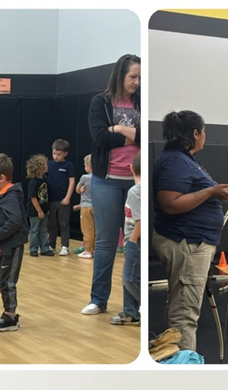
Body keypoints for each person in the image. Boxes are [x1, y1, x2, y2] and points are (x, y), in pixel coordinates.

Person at [151, 109, 228, 350]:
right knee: (184, 312)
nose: (205, 135)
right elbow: (170, 204)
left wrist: (225, 190)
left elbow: (195, 194)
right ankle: (183, 363)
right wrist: (211, 192)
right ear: (195, 133)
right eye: (204, 131)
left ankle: (177, 357)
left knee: (181, 305)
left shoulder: (184, 159)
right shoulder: (175, 160)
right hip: (187, 243)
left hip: (192, 243)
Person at [82, 54, 141, 316]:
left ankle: (132, 305)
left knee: (133, 243)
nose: (137, 82)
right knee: (106, 242)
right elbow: (99, 137)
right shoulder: (101, 102)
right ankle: (98, 299)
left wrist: (118, 128)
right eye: (132, 77)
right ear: (120, 76)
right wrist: (129, 136)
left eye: (140, 77)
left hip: (135, 184)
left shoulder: (142, 101)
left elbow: (142, 136)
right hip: (106, 181)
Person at [0, 152, 29, 332]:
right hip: (0, 246)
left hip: (10, 246)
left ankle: (10, 316)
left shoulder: (10, 196)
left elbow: (15, 221)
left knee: (8, 281)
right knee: (0, 281)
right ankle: (8, 313)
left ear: (2, 178)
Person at [110, 152, 140, 325]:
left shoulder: (135, 191)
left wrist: (133, 242)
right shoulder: (136, 191)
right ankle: (130, 312)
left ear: (130, 169)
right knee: (129, 277)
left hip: (134, 242)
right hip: (133, 241)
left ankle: (143, 307)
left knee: (129, 278)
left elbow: (140, 221)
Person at [46, 139, 75, 256]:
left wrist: (67, 197)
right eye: (54, 154)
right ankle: (51, 245)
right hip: (51, 199)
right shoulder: (49, 164)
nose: (56, 157)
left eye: (59, 154)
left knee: (64, 224)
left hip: (63, 199)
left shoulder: (68, 165)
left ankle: (64, 246)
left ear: (65, 154)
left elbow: (72, 182)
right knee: (51, 224)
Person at [25, 154, 54, 257]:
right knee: (34, 230)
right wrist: (39, 211)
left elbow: (45, 195)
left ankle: (45, 248)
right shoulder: (33, 182)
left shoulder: (44, 179)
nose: (47, 166)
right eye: (45, 165)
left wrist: (46, 209)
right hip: (35, 211)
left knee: (44, 230)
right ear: (39, 168)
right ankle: (33, 249)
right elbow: (33, 198)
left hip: (44, 209)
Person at [74, 155, 94, 259]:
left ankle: (88, 250)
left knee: (87, 230)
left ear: (88, 166)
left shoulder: (84, 177)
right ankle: (94, 249)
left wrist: (80, 190)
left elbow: (77, 189)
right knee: (96, 229)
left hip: (86, 207)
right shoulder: (100, 177)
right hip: (97, 206)